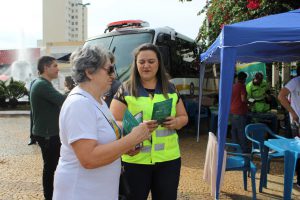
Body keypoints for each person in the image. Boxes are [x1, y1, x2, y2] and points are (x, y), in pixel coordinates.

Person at [53, 46, 151, 200]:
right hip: (80, 192)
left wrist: (125, 147)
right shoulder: (79, 104)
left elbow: (104, 142)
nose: (113, 75)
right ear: (89, 72)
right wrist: (132, 139)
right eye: (109, 69)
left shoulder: (98, 101)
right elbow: (89, 159)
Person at [110, 43, 189, 200]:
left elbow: (184, 117)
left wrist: (176, 122)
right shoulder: (125, 89)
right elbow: (113, 121)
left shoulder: (171, 88)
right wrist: (136, 128)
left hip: (169, 160)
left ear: (158, 63)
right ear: (136, 64)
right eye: (142, 62)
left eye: (151, 61)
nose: (146, 65)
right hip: (135, 159)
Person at [30, 56, 66, 200]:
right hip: (47, 134)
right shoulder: (42, 85)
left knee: (52, 167)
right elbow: (61, 100)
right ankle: (49, 196)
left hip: (47, 132)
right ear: (46, 68)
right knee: (51, 168)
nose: (58, 69)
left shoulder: (43, 83)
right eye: (55, 66)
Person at [278, 68, 300, 188]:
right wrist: (293, 113)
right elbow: (281, 96)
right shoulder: (296, 81)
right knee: (298, 151)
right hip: (297, 122)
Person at [230, 71, 249, 152]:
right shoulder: (242, 86)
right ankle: (243, 149)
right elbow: (243, 99)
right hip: (240, 112)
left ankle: (235, 148)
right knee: (241, 132)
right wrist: (249, 101)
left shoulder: (233, 86)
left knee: (234, 131)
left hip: (232, 111)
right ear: (244, 79)